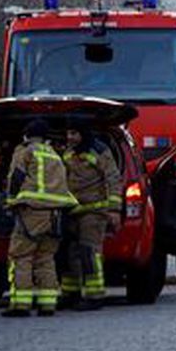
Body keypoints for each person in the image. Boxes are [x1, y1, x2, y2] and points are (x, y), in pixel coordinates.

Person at [3, 119, 78, 317]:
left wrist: (10, 201)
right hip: (55, 214)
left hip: (31, 211)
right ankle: (48, 304)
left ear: (26, 135)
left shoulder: (25, 151)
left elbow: (16, 177)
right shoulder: (54, 154)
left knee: (21, 257)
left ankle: (21, 304)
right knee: (46, 258)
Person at [59, 124, 121, 311]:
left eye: (74, 132)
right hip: (72, 211)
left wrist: (115, 210)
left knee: (89, 252)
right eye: (68, 132)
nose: (70, 137)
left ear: (83, 133)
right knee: (70, 254)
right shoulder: (68, 152)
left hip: (93, 212)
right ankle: (71, 293)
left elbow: (113, 180)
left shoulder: (100, 152)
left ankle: (95, 295)